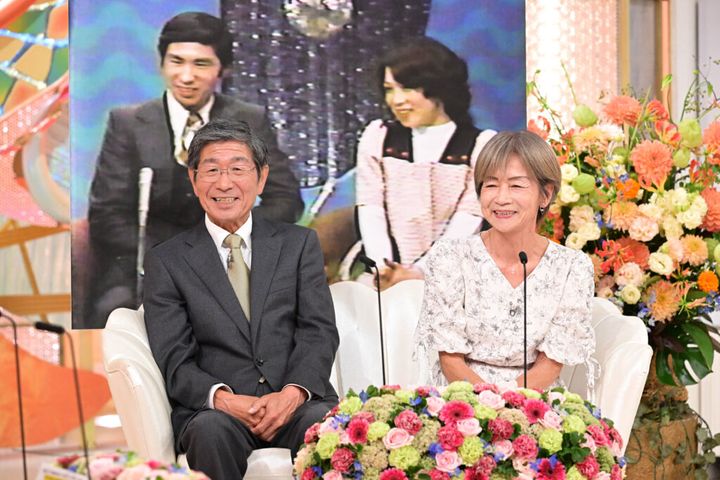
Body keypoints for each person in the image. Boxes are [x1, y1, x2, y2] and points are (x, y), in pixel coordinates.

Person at [143, 119, 338, 480]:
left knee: (324, 424)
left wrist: (292, 394)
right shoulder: (167, 261)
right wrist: (224, 399)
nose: (224, 183)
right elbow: (174, 358)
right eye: (211, 170)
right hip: (219, 411)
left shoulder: (298, 244)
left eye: (237, 169)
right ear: (193, 179)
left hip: (295, 403)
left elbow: (318, 331)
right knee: (209, 431)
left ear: (261, 178)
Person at [85, 12, 303, 328]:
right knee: (114, 316)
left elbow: (286, 199)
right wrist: (170, 260)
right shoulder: (128, 123)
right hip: (146, 266)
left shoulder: (249, 120)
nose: (186, 76)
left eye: (201, 64)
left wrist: (234, 241)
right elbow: (107, 214)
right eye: (176, 62)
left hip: (228, 262)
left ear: (222, 69)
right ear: (162, 64)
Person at [414, 131, 595, 390]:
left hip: (535, 400)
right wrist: (488, 403)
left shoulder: (572, 268)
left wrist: (510, 405)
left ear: (545, 195)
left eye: (516, 185)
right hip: (462, 397)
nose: (501, 198)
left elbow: (551, 364)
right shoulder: (449, 257)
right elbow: (450, 359)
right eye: (490, 185)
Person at [354, 37, 496, 289]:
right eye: (389, 89)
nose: (396, 100)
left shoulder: (480, 146)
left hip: (454, 280)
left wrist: (420, 273)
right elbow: (370, 208)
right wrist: (384, 270)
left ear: (439, 88)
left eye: (407, 88)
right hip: (383, 279)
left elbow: (468, 219)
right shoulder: (378, 137)